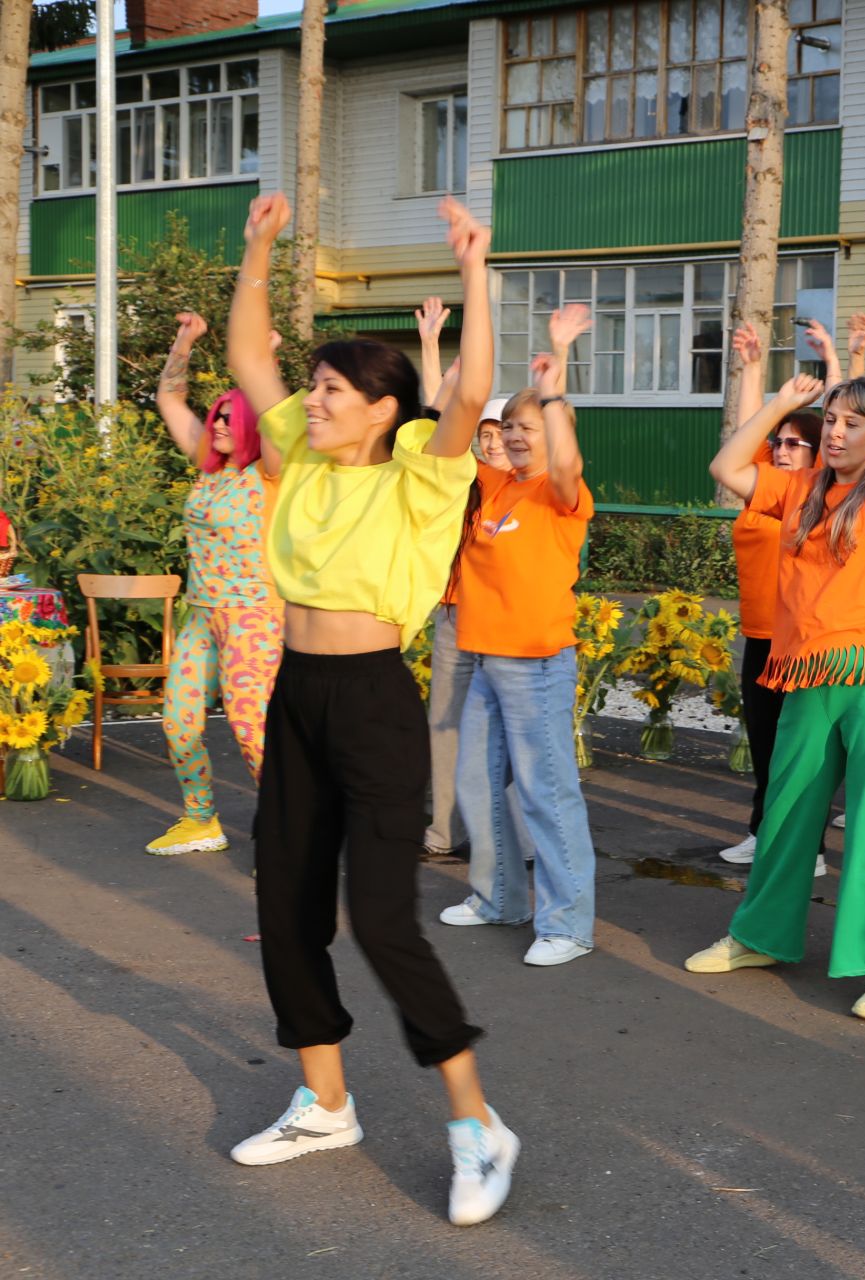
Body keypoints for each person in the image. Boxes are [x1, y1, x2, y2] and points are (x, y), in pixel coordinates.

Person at [222, 191, 518, 1226]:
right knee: (284, 906)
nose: (314, 395)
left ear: (385, 405)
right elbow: (250, 357)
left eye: (334, 385)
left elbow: (473, 387)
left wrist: (477, 268)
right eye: (314, 383)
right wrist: (261, 246)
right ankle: (325, 1100)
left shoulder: (421, 474)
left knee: (383, 917)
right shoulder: (300, 454)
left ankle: (477, 1125)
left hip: (375, 702)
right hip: (296, 694)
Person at [687, 354, 865, 1022]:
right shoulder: (797, 487)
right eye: (830, 420)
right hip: (807, 675)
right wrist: (777, 404)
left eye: (854, 423)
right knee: (786, 814)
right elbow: (726, 469)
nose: (835, 432)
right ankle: (759, 937)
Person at [436, 305, 598, 966]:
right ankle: (500, 898)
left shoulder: (562, 496)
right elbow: (448, 428)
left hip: (536, 664)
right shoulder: (498, 488)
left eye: (527, 428)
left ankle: (567, 923)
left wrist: (556, 378)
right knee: (478, 782)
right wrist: (442, 363)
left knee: (546, 792)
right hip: (485, 659)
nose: (515, 438)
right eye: (509, 428)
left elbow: (564, 464)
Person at [146, 311, 284, 857]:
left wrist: (263, 361)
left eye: (230, 417)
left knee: (253, 732)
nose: (219, 424)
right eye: (217, 415)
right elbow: (169, 399)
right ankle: (201, 819)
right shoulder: (208, 467)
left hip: (254, 616)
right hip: (201, 614)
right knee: (177, 721)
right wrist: (185, 340)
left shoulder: (269, 473)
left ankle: (288, 832)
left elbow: (277, 415)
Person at [717, 321, 826, 875]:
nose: (780, 451)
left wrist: (837, 358)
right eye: (777, 443)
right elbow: (742, 431)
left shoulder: (819, 496)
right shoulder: (764, 485)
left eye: (792, 444)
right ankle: (763, 829)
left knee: (799, 752)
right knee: (763, 741)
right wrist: (754, 367)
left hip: (801, 640)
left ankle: (811, 848)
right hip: (758, 634)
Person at [425, 391, 512, 861]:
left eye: (505, 432)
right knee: (444, 723)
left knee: (508, 727)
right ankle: (443, 830)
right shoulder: (468, 474)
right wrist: (436, 354)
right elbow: (440, 430)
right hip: (455, 614)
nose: (496, 441)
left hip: (505, 620)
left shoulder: (528, 483)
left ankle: (508, 833)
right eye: (488, 433)